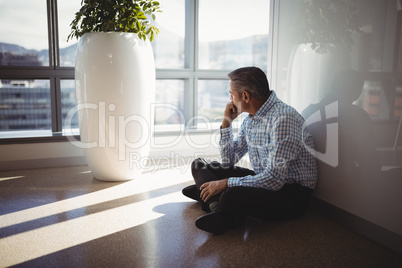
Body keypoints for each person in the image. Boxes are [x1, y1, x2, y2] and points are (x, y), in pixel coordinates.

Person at [182, 66, 318, 235]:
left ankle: (212, 199)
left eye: (231, 94)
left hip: (291, 193)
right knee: (199, 164)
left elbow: (274, 180)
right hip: (265, 180)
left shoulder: (283, 119)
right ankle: (217, 206)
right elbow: (228, 161)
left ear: (245, 96)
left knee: (230, 195)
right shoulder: (251, 119)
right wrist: (226, 122)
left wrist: (224, 184)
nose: (230, 99)